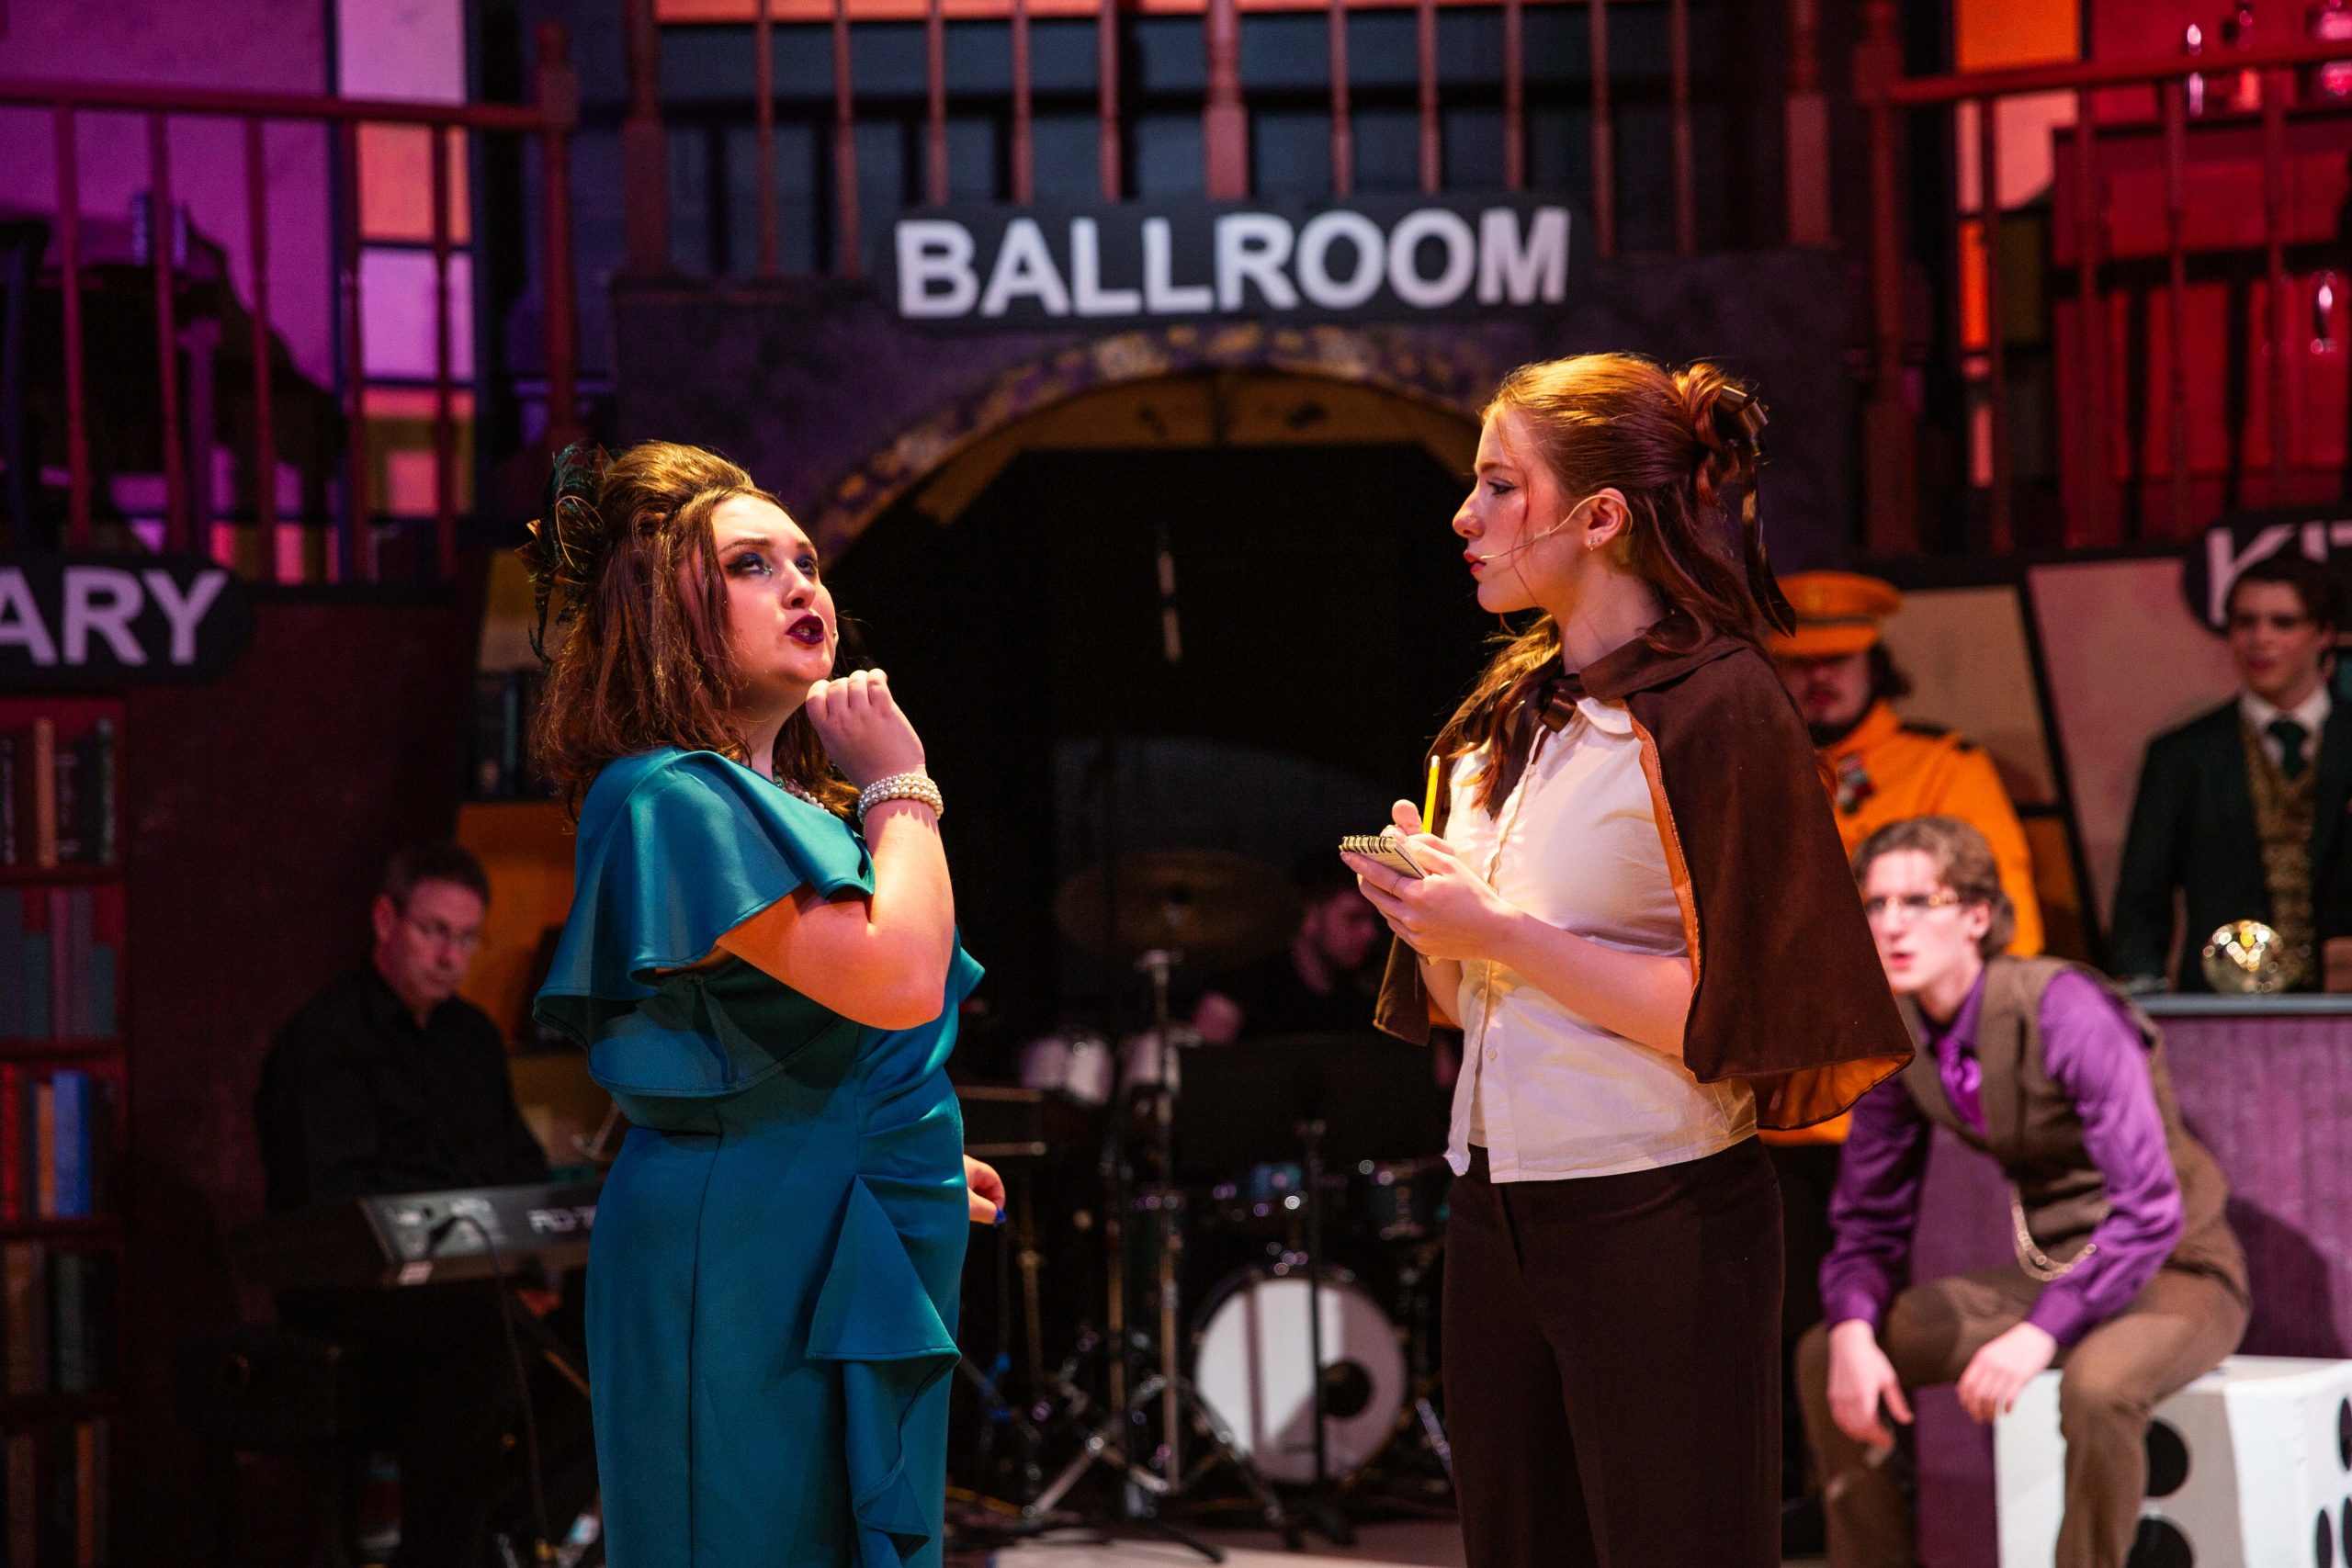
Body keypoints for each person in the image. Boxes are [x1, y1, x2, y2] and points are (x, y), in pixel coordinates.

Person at [1349, 353, 1912, 1568]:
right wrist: (1429, 917)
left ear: (1600, 516)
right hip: (1491, 1201)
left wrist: (1499, 930)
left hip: (1657, 1208)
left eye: (1501, 485)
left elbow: (1731, 1013)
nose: (1466, 516)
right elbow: (1463, 1002)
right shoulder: (1498, 722)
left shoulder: (1718, 704)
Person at [522, 442, 1004, 1568]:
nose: (799, 585)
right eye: (750, 565)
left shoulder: (782, 807)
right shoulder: (669, 794)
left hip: (816, 1218)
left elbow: (820, 1033)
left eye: (805, 562)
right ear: (664, 612)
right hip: (738, 1255)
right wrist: (901, 785)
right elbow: (902, 980)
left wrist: (899, 1154)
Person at [1798, 816, 2246, 1568]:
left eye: (1919, 901)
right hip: (2058, 1269)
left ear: (1977, 915)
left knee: (2098, 1387)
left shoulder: (2064, 1007)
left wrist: (2043, 1329)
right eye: (1876, 903)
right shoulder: (1896, 1034)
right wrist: (1852, 1324)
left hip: (2175, 1265)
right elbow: (1869, 1219)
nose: (1892, 924)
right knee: (1827, 1351)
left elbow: (2149, 1206)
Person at [254, 840, 560, 1568]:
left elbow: (521, 1170)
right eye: (434, 931)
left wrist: (539, 1267)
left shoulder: (473, 1038)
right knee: (484, 1340)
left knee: (606, 1322)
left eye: (467, 937)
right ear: (386, 921)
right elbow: (334, 1211)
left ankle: (509, 1529)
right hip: (357, 1292)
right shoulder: (325, 1039)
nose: (450, 956)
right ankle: (442, 1551)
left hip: (469, 1282)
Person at [2111, 549, 2352, 991]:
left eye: (2283, 623)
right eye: (2245, 622)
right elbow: (2141, 900)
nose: (2260, 639)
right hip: (2219, 1005)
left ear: (2323, 634)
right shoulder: (2181, 756)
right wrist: (2144, 993)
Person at [1770, 570, 2044, 956]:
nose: (1819, 675)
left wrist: (2000, 992)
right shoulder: (1757, 770)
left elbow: (2007, 917)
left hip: (1904, 988)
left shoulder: (1943, 766)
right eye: (1801, 661)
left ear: (1874, 664)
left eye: (1838, 658)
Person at [1192, 858, 1385, 1043]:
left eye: (1372, 919)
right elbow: (1203, 1058)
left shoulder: (1366, 993)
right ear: (1308, 917)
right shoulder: (1246, 985)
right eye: (1354, 918)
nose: (1370, 933)